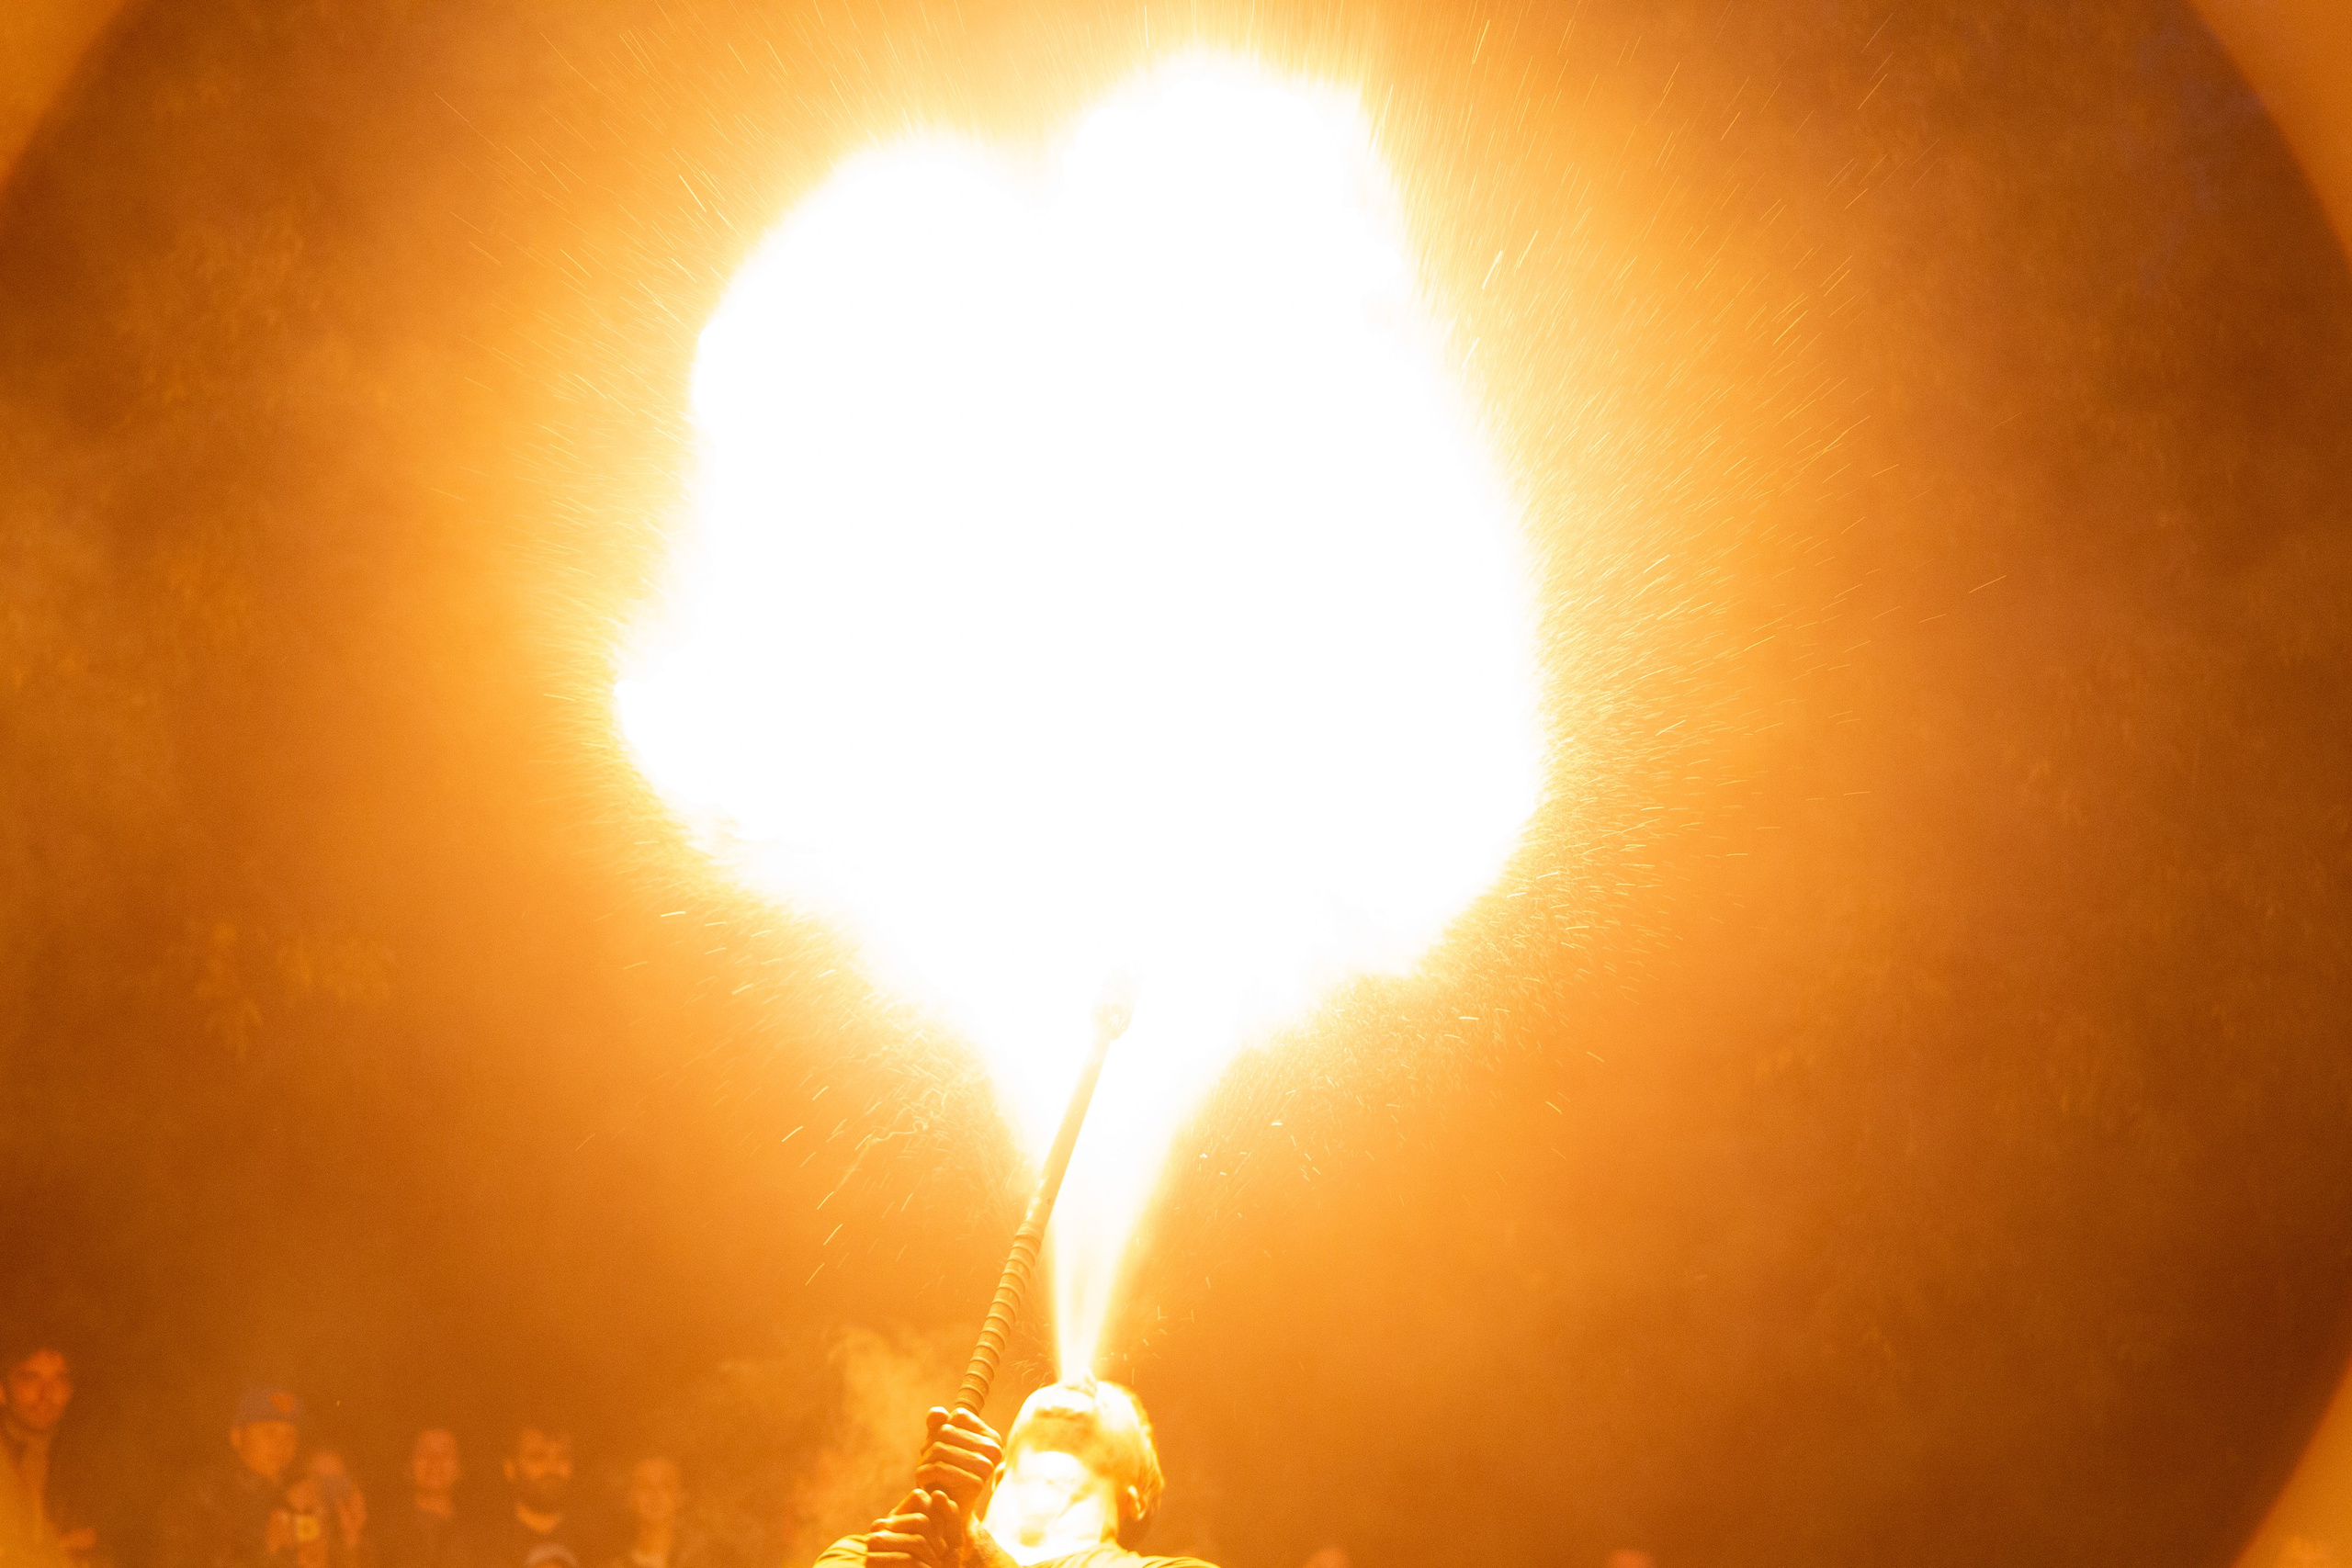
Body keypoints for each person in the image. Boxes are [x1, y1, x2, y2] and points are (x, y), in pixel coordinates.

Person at [814, 1379, 1214, 1568]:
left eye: (1110, 1396)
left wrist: (976, 1550)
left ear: (1137, 1497)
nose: (1080, 1377)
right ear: (998, 1471)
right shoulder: (870, 1555)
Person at [154, 1386, 306, 1568]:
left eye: (290, 1435)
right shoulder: (201, 1495)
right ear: (237, 1437)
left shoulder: (297, 1497)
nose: (282, 1445)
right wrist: (266, 1548)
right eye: (270, 1432)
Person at [0, 1340, 99, 1565]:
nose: (47, 1393)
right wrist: (56, 1549)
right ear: (2, 1390)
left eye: (59, 1379)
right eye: (31, 1378)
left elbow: (99, 1546)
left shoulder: (85, 1464)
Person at [456, 1424, 583, 1568]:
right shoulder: (479, 1544)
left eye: (562, 1457)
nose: (552, 1468)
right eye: (538, 1457)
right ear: (511, 1469)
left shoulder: (598, 1538)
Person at [600, 1457, 705, 1568]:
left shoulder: (704, 1562)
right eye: (644, 1486)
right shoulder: (612, 1565)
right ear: (630, 1498)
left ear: (681, 1497)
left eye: (665, 1486)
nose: (654, 1495)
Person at [379, 1431, 461, 1568]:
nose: (434, 1461)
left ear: (460, 1466)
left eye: (445, 1453)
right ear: (409, 1464)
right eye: (424, 1453)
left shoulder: (482, 1538)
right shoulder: (386, 1535)